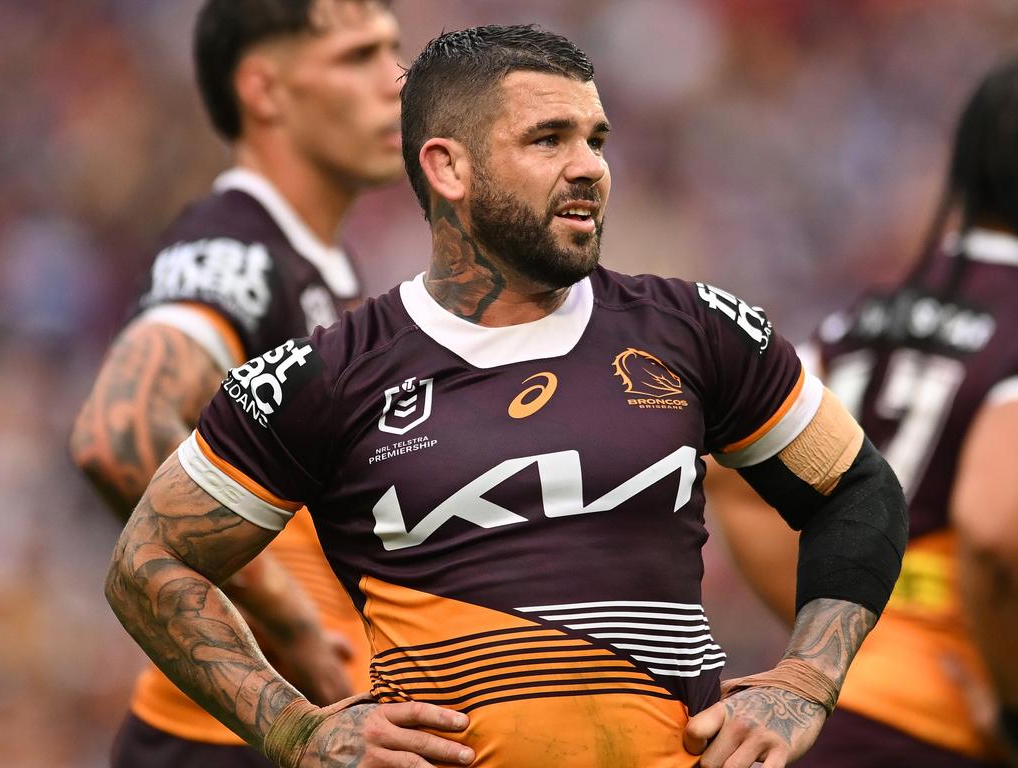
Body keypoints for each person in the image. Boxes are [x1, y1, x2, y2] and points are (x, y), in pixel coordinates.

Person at [103, 24, 908, 768]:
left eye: (596, 139)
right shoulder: (329, 374)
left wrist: (804, 680)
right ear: (448, 167)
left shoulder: (696, 328)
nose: (590, 165)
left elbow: (856, 489)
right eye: (548, 139)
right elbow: (149, 561)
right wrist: (294, 728)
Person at [70, 1, 403, 766]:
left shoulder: (318, 265)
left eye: (394, 49)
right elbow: (116, 434)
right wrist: (288, 627)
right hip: (224, 740)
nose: (395, 81)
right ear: (265, 91)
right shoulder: (236, 249)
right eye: (357, 57)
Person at [707, 56, 1018, 768]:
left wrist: (837, 638)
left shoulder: (864, 318)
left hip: (832, 711)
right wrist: (1010, 705)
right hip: (946, 725)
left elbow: (729, 472)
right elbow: (998, 530)